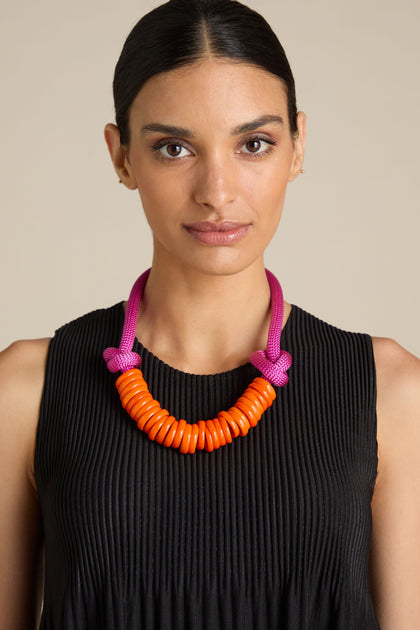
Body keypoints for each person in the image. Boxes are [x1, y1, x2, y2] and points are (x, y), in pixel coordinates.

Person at [0, 0, 419, 628]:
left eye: (254, 143)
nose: (216, 191)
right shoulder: (26, 389)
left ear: (298, 146)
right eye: (174, 148)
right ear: (121, 157)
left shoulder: (391, 391)